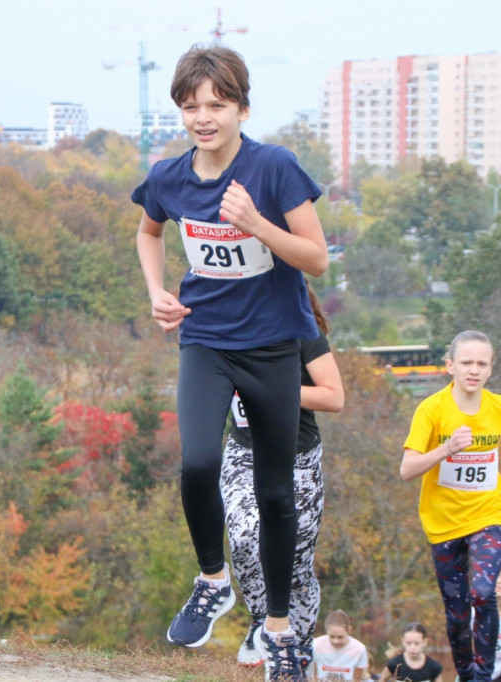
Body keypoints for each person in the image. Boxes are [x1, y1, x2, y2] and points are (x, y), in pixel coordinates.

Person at [131, 43, 328, 681]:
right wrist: (158, 292)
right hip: (207, 341)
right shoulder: (169, 176)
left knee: (274, 492)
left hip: (273, 346)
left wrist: (257, 226)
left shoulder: (274, 168)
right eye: (191, 106)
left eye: (216, 104)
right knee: (197, 462)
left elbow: (317, 258)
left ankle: (276, 627)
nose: (203, 117)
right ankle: (213, 580)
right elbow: (148, 231)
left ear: (242, 107)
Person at [399, 330, 501, 682]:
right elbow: (406, 470)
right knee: (458, 613)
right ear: (450, 366)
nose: (473, 370)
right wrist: (446, 450)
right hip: (443, 523)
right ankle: (466, 675)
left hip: (490, 513)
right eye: (466, 363)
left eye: (481, 363)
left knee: (482, 592)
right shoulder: (431, 409)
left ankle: (483, 674)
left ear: (491, 368)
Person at [225, 284, 344, 669]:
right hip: (245, 454)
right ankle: (262, 621)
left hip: (298, 460)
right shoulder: (225, 330)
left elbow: (334, 397)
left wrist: (280, 390)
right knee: (244, 537)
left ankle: (298, 653)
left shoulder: (303, 333)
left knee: (295, 565)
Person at [312, 610, 370, 681]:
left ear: (349, 630)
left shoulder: (359, 649)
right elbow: (311, 673)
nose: (336, 641)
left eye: (340, 637)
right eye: (332, 636)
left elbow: (358, 677)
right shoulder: (316, 645)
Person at [378, 622, 445, 682]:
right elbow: (382, 679)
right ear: (403, 641)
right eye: (409, 643)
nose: (412, 647)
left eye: (417, 643)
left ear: (425, 642)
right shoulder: (394, 664)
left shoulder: (434, 667)